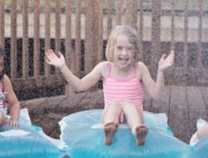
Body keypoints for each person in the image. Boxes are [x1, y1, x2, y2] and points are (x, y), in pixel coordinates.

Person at [45, 25, 175, 146]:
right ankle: (109, 131)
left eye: (129, 49)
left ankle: (137, 132)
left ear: (135, 51)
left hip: (135, 118)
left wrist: (161, 71)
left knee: (128, 104)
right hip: (110, 118)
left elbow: (155, 94)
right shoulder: (104, 68)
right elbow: (79, 86)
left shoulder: (139, 68)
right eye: (119, 48)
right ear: (111, 48)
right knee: (114, 105)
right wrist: (63, 67)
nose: (124, 53)